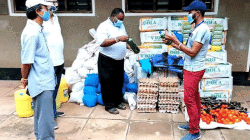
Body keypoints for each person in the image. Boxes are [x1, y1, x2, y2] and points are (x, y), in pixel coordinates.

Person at [163, 1, 210, 140]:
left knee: (189, 99)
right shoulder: (196, 27)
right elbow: (187, 48)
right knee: (194, 98)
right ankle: (193, 123)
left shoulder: (202, 30)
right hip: (190, 67)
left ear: (197, 13)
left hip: (194, 70)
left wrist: (176, 42)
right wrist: (172, 43)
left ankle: (195, 132)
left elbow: (192, 52)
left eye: (190, 12)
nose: (188, 14)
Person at [20, 0, 55, 139]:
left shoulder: (37, 29)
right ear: (37, 11)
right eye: (46, 8)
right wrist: (25, 79)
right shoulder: (32, 33)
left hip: (44, 79)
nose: (48, 11)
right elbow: (26, 62)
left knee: (41, 118)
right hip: (41, 83)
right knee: (46, 120)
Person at [96, 8, 129, 114]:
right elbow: (102, 42)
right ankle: (109, 105)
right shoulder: (103, 26)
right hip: (107, 59)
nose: (121, 21)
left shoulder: (121, 25)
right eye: (119, 19)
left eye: (122, 19)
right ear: (113, 16)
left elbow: (124, 40)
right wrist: (117, 39)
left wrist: (129, 46)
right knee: (107, 83)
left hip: (119, 59)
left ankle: (117, 102)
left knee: (118, 82)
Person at [43, 0, 65, 129]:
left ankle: (54, 112)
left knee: (55, 88)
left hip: (59, 60)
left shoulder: (55, 18)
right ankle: (50, 119)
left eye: (57, 2)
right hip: (49, 62)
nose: (56, 4)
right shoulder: (41, 20)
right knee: (48, 91)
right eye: (53, 2)